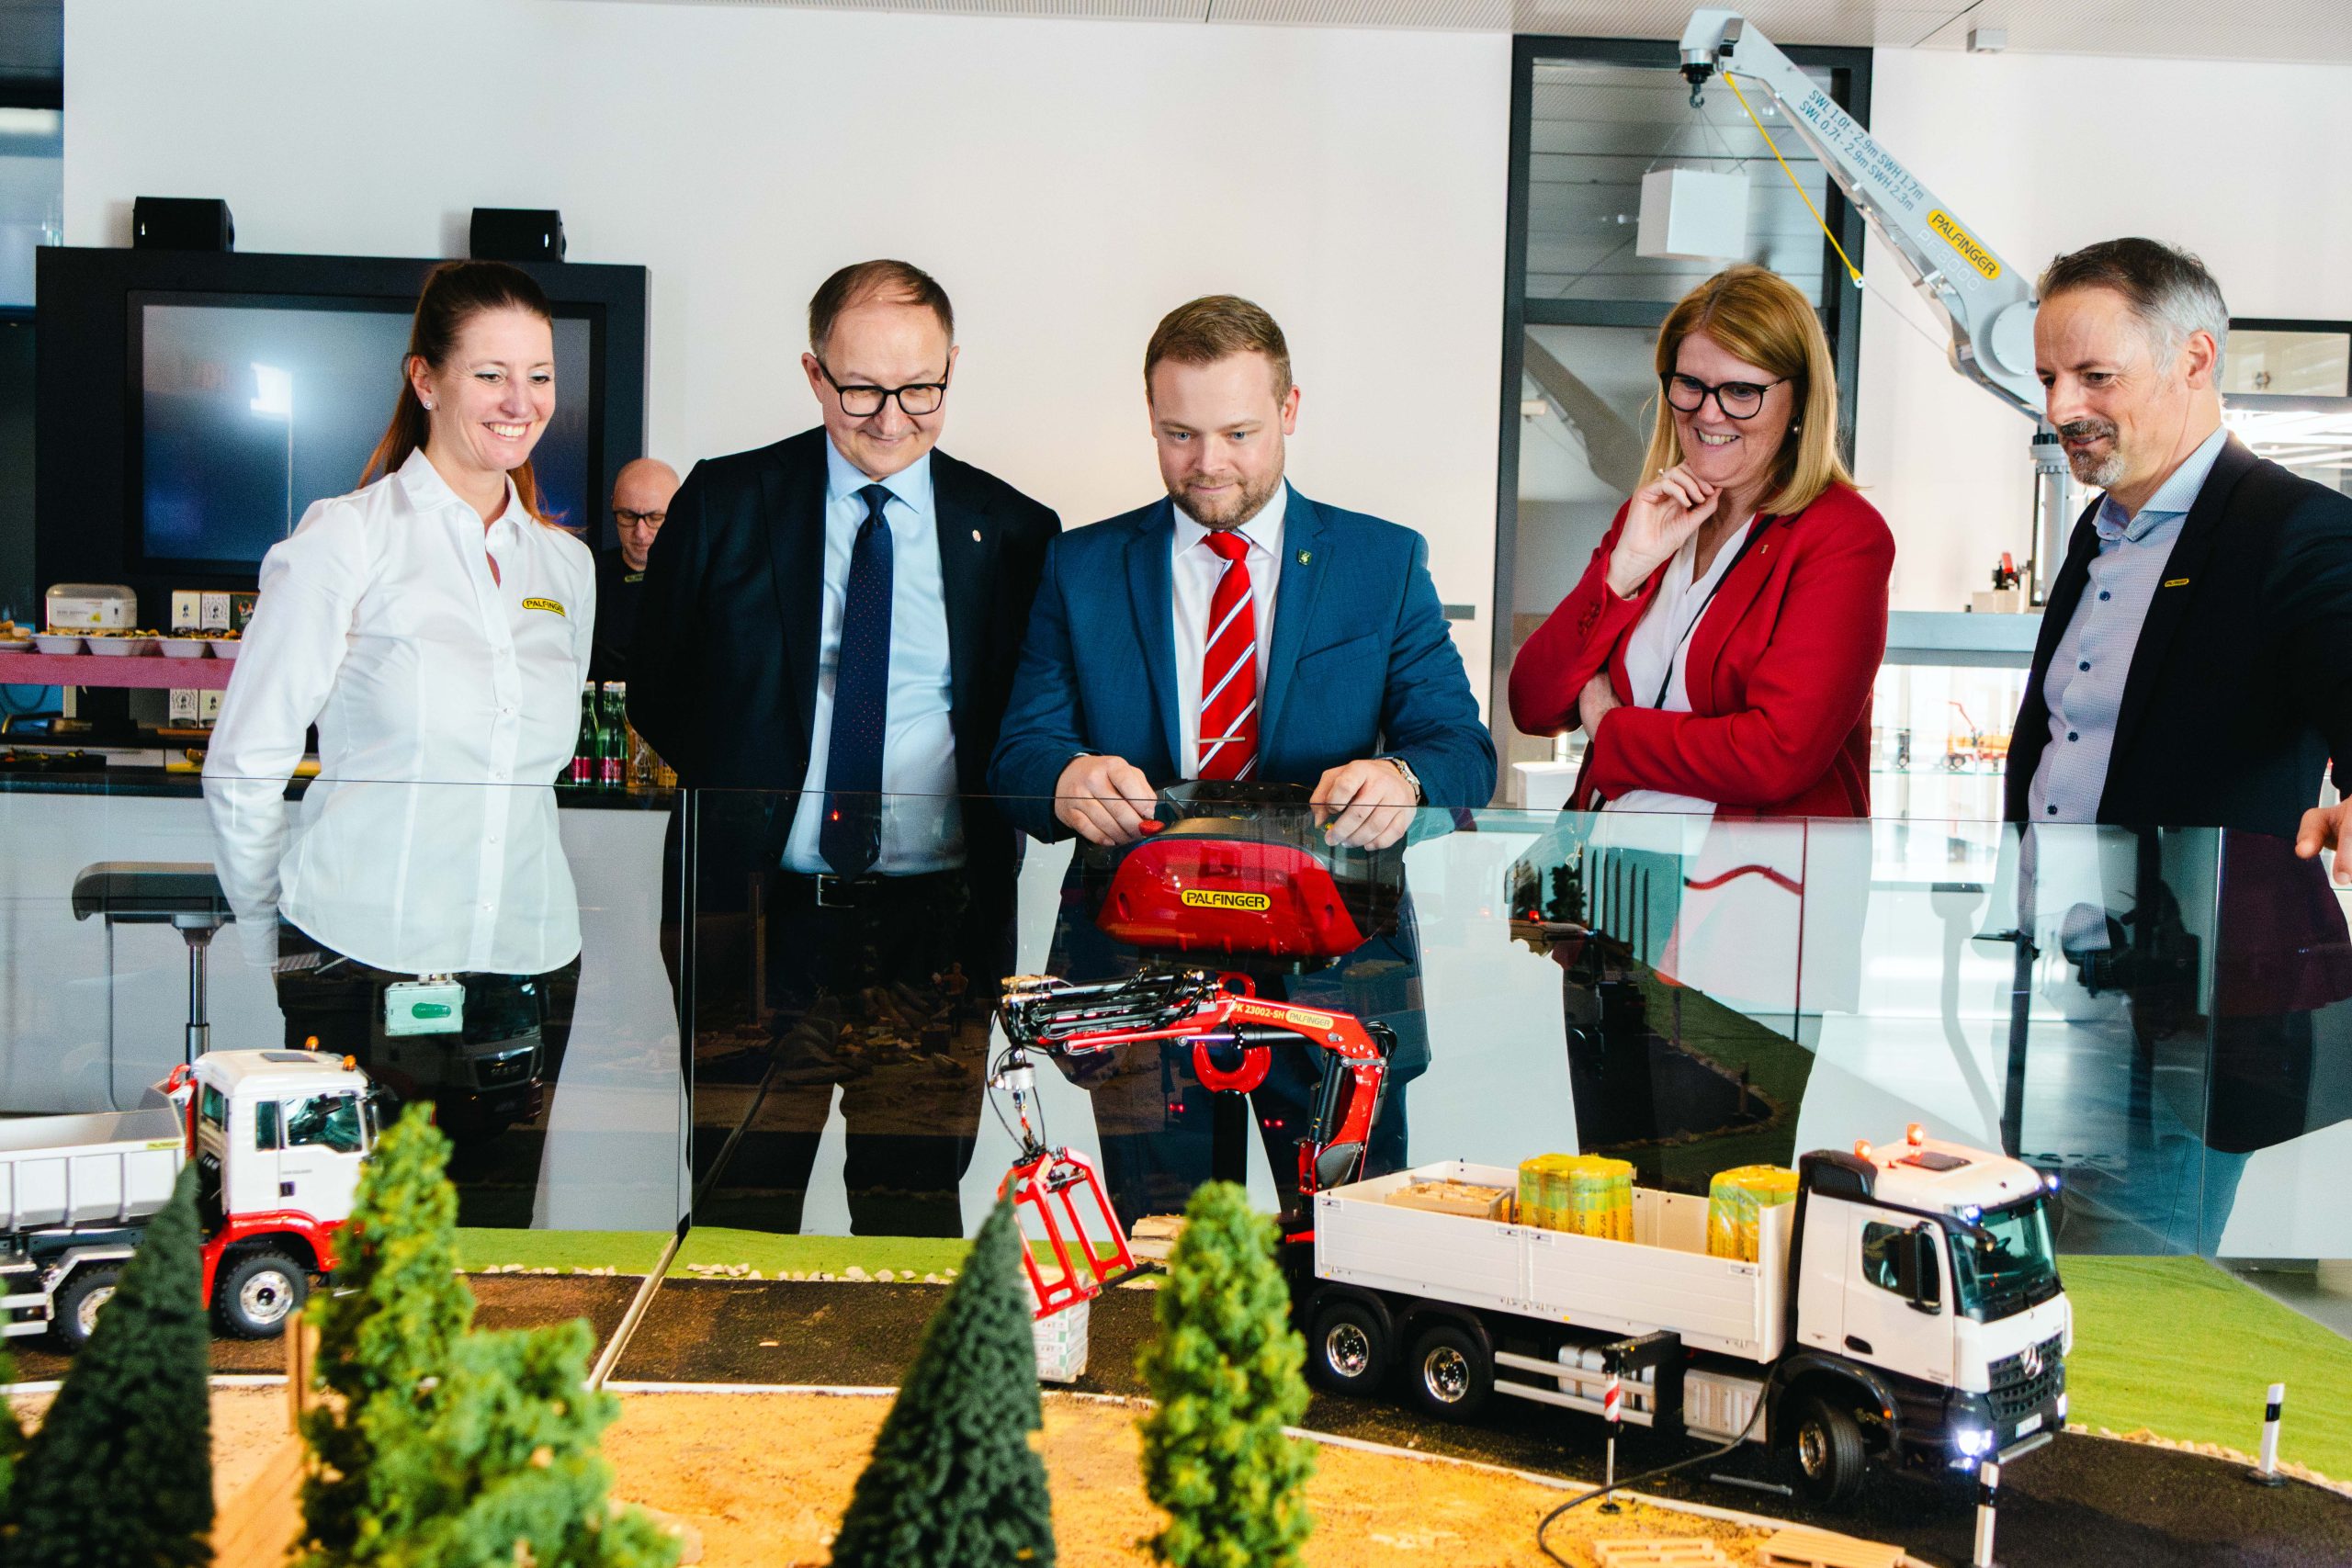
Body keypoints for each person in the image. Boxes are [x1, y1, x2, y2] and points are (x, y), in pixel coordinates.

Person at [989, 294, 1495, 1225]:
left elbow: (1462, 751)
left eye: (1238, 433)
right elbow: (1020, 751)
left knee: (1346, 1264)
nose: (1208, 463)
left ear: (1290, 410)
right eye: (1179, 434)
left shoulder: (1381, 563)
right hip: (1141, 974)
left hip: (1338, 979)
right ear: (1150, 417)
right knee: (1165, 1269)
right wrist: (1063, 779)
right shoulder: (1081, 566)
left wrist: (1404, 779)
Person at [628, 259, 1060, 1236]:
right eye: (861, 389)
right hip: (757, 921)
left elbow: (1023, 725)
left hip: (935, 936)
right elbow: (659, 689)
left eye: (921, 389)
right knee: (741, 1210)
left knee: (913, 1215)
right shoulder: (725, 501)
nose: (891, 418)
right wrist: (762, 796)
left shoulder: (1017, 532)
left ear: (952, 368)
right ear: (813, 373)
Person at [1505, 265, 1893, 1188]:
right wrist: (1623, 569)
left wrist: (1613, 731)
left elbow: (1777, 752)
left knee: (1710, 1204)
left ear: (1798, 402)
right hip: (1610, 906)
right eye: (1689, 385)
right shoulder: (1657, 511)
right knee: (1610, 1193)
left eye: (1741, 391)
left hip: (1748, 924)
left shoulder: (1841, 535)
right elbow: (1533, 698)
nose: (1709, 413)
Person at [2005, 237, 2352, 1254]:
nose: (2062, 406)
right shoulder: (2099, 533)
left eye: (2094, 376)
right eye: (2048, 378)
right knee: (2054, 1290)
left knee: (2135, 1297)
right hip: (2060, 989)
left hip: (2183, 1017)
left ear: (2195, 358)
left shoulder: (2293, 526)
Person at [203, 260, 592, 1142]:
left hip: (528, 961)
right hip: (357, 958)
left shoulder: (566, 568)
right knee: (353, 1224)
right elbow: (245, 760)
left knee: (501, 1227)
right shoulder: (346, 538)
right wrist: (277, 941)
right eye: (490, 373)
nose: (520, 401)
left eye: (539, 376)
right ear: (426, 378)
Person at [589, 457, 679, 682]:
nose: (640, 532)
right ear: (613, 507)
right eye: (628, 516)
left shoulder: (701, 579)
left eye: (655, 518)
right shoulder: (587, 576)